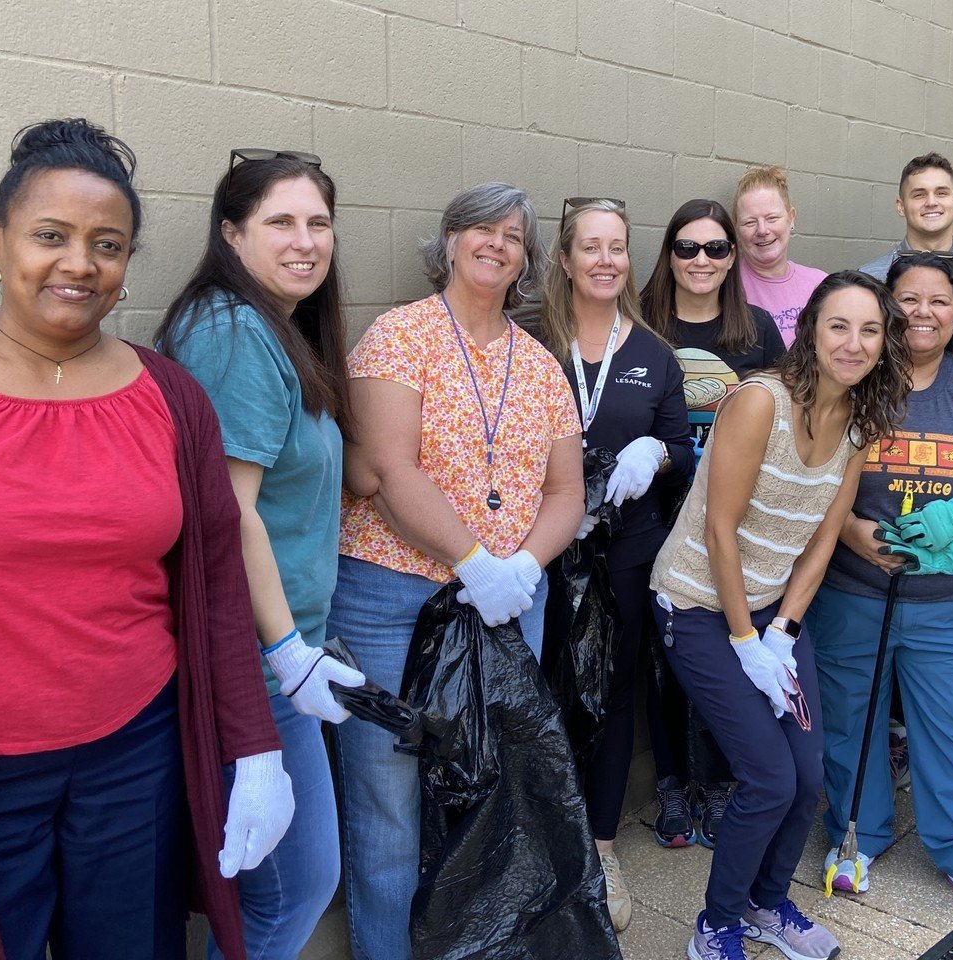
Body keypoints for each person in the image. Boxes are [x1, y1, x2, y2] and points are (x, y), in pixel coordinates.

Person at [0, 119, 291, 960]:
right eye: (51, 235)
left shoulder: (170, 396)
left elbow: (217, 586)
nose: (78, 264)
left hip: (134, 759)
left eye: (107, 244)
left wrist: (255, 749)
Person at [330, 182, 584, 959]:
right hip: (391, 594)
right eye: (481, 228)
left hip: (509, 603)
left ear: (527, 263)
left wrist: (519, 569)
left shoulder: (540, 365)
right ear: (447, 242)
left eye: (514, 236)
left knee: (492, 785)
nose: (497, 243)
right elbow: (384, 467)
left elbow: (566, 489)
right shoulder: (396, 336)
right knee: (387, 798)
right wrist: (473, 559)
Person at [651, 270, 912, 960]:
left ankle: (768, 903)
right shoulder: (759, 402)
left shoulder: (859, 422)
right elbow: (719, 531)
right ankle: (718, 923)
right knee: (768, 778)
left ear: (884, 343)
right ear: (809, 330)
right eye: (838, 325)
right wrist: (744, 640)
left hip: (770, 618)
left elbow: (825, 537)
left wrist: (782, 632)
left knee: (806, 778)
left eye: (869, 330)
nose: (853, 343)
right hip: (699, 609)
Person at [157, 148, 364, 959]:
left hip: (282, 652)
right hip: (255, 660)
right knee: (292, 889)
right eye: (280, 221)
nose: (304, 240)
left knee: (284, 889)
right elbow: (228, 515)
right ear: (232, 233)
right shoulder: (236, 333)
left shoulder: (277, 329)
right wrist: (287, 653)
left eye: (318, 223)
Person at [808, 252, 953, 914]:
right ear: (886, 307)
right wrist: (852, 528)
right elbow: (805, 470)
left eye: (938, 301)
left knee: (952, 730)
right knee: (851, 723)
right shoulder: (854, 378)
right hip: (853, 594)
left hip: (949, 604)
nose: (922, 313)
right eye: (907, 300)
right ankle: (855, 836)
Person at [536, 197, 695, 933]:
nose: (605, 260)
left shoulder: (654, 354)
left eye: (617, 248)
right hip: (538, 550)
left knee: (614, 693)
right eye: (590, 247)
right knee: (539, 694)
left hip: (627, 552)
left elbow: (684, 450)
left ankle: (601, 847)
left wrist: (656, 451)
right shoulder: (532, 337)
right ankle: (540, 844)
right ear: (564, 260)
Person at [640, 197, 785, 852]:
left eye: (717, 248)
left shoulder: (756, 330)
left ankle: (725, 782)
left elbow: (783, 422)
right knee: (665, 657)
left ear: (733, 257)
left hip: (737, 521)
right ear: (669, 254)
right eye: (687, 247)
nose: (702, 260)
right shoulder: (639, 325)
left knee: (732, 648)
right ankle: (673, 783)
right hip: (658, 514)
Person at [733, 164, 828, 345]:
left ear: (791, 218)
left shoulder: (820, 284)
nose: (762, 230)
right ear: (736, 229)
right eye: (750, 222)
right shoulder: (726, 286)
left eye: (772, 218)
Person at [859, 153, 953, 282]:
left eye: (941, 193)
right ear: (901, 206)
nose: (931, 202)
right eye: (919, 195)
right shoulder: (871, 278)